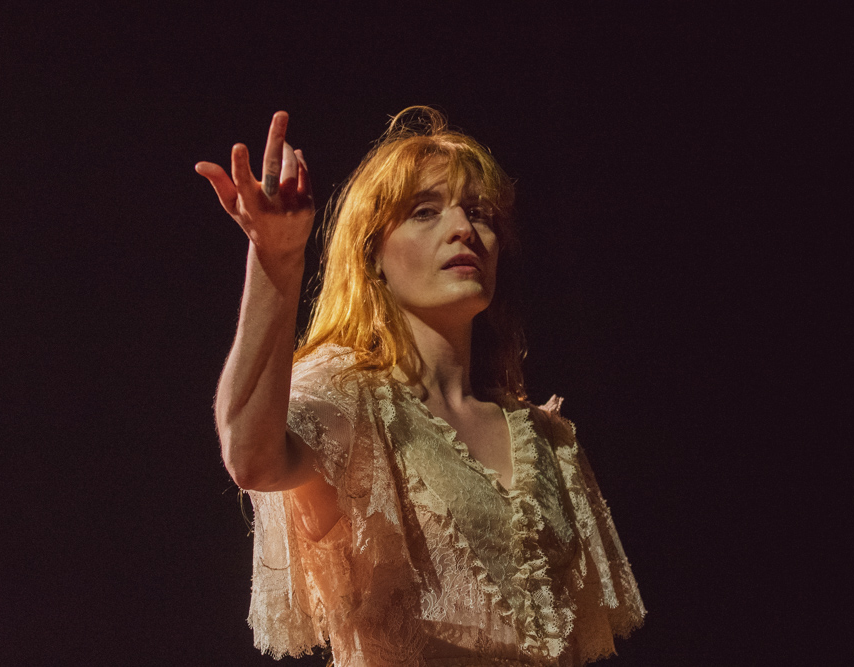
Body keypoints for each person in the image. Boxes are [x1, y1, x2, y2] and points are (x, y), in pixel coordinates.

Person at [196, 107, 645, 666]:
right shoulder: (351, 400)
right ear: (373, 255)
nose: (463, 229)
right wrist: (277, 259)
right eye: (425, 212)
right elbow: (251, 456)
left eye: (479, 214)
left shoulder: (548, 438)